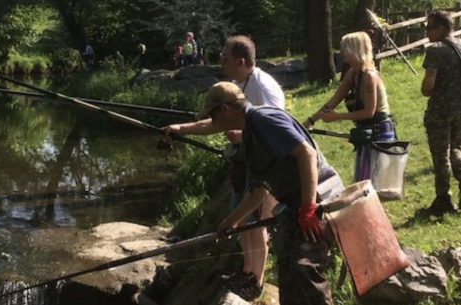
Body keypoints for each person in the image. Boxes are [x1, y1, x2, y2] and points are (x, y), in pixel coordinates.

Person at [163, 35, 285, 301]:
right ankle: (246, 271)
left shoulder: (261, 88)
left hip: (266, 167)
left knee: (257, 223)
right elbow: (218, 123)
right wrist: (181, 128)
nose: (220, 60)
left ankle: (257, 280)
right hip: (245, 163)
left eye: (225, 57)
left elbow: (275, 128)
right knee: (243, 222)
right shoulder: (236, 84)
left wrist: (241, 137)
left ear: (241, 61)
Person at [203, 81, 340, 305]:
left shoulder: (263, 119)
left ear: (224, 110)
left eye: (213, 116)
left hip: (318, 199)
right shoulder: (249, 137)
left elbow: (307, 154)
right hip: (295, 206)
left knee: (304, 271)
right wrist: (230, 222)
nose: (213, 122)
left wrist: (308, 208)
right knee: (287, 277)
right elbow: (258, 192)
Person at [304, 31, 395, 183]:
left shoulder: (369, 76)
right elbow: (332, 103)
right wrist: (309, 122)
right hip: (365, 131)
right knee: (363, 180)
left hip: (379, 132)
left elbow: (369, 112)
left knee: (376, 182)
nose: (341, 52)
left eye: (344, 48)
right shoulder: (352, 73)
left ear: (355, 49)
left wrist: (337, 116)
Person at [419, 10, 461, 215]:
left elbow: (428, 85)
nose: (426, 32)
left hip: (440, 111)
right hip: (460, 111)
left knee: (440, 155)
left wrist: (425, 89)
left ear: (443, 28)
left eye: (430, 27)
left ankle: (444, 199)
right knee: (456, 150)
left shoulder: (435, 49)